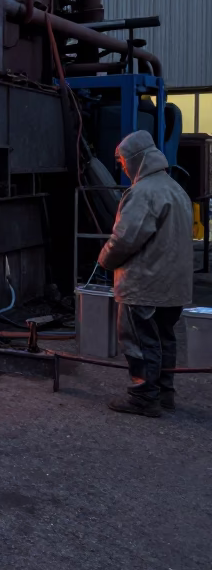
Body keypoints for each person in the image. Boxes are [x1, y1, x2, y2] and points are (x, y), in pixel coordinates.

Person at [98, 130, 193, 417]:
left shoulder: (143, 193)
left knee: (139, 341)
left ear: (136, 160)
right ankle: (165, 393)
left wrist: (105, 259)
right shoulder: (175, 189)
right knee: (164, 338)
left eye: (124, 161)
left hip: (144, 284)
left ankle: (143, 397)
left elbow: (125, 239)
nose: (123, 167)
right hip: (173, 285)